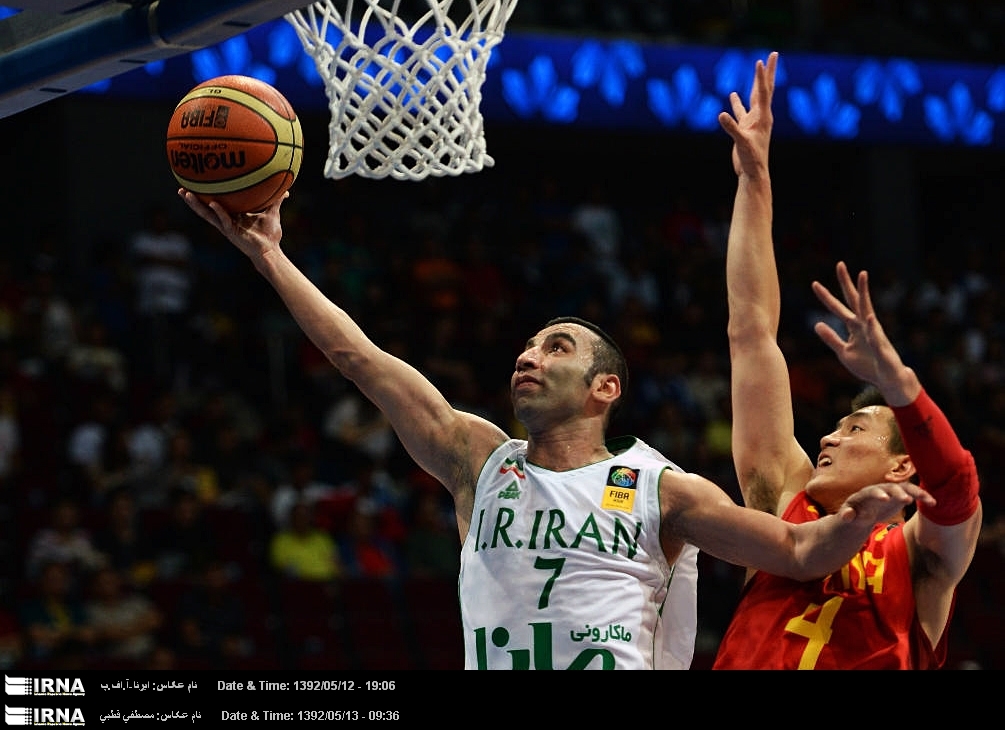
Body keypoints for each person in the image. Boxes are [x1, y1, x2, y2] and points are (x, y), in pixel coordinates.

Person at [178, 148, 931, 671]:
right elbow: (359, 360)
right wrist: (269, 256)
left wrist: (857, 521)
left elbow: (798, 554)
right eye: (528, 347)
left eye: (557, 348)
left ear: (605, 387)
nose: (528, 356)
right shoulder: (476, 458)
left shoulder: (663, 490)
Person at [712, 51, 982, 669]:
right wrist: (755, 181)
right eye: (837, 425)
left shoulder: (922, 557)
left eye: (855, 428)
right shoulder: (783, 496)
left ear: (900, 466)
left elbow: (958, 486)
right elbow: (752, 333)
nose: (829, 435)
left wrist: (897, 382)